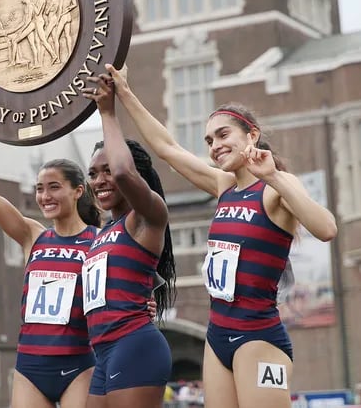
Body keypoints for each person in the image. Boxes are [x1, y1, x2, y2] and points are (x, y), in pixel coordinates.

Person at [102, 63, 337, 408]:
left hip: (258, 337)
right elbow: (167, 148)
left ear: (251, 135)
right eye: (209, 140)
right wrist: (124, 93)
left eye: (224, 135)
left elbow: (327, 228)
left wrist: (273, 177)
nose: (215, 146)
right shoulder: (223, 185)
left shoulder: (275, 190)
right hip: (217, 337)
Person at [0, 91, 100, 408]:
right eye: (40, 188)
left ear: (78, 191)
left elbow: (132, 282)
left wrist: (147, 305)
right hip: (30, 366)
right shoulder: (34, 234)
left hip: (79, 363)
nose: (45, 196)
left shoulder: (99, 240)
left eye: (54, 187)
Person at [81, 72, 177, 408]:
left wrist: (107, 113)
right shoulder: (104, 232)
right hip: (104, 352)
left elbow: (124, 172)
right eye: (93, 173)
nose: (100, 180)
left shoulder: (148, 216)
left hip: (134, 346)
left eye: (106, 170)